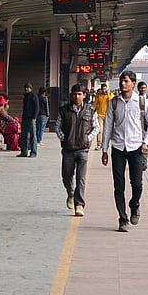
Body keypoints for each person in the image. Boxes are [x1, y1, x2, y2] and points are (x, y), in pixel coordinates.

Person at [101, 70, 148, 232]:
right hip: (118, 148)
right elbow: (108, 128)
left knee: (137, 184)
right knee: (119, 185)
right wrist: (104, 150)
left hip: (136, 148)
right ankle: (123, 218)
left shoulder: (142, 102)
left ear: (133, 83)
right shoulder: (114, 103)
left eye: (126, 81)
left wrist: (146, 141)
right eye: (121, 81)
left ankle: (135, 204)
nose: (123, 84)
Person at [56, 84, 98, 217]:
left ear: (84, 95)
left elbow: (96, 128)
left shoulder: (91, 110)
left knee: (81, 178)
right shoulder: (64, 110)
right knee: (67, 176)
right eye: (75, 94)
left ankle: (79, 205)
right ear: (71, 95)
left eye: (80, 94)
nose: (77, 96)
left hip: (83, 149)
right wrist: (64, 138)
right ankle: (70, 193)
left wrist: (88, 139)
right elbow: (58, 127)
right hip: (68, 149)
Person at [18, 83, 39, 157]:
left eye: (28, 87)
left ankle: (33, 152)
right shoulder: (25, 96)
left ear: (31, 88)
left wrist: (34, 117)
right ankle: (24, 152)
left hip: (31, 119)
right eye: (25, 87)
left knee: (33, 136)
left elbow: (36, 107)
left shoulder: (34, 96)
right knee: (24, 136)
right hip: (25, 118)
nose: (26, 89)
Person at [92, 84, 112, 150]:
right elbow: (95, 103)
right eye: (102, 89)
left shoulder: (110, 95)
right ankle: (99, 144)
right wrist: (93, 111)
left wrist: (108, 94)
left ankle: (105, 144)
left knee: (106, 130)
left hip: (107, 115)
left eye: (105, 89)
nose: (104, 90)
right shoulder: (98, 95)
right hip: (99, 115)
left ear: (107, 89)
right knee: (100, 130)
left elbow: (111, 102)